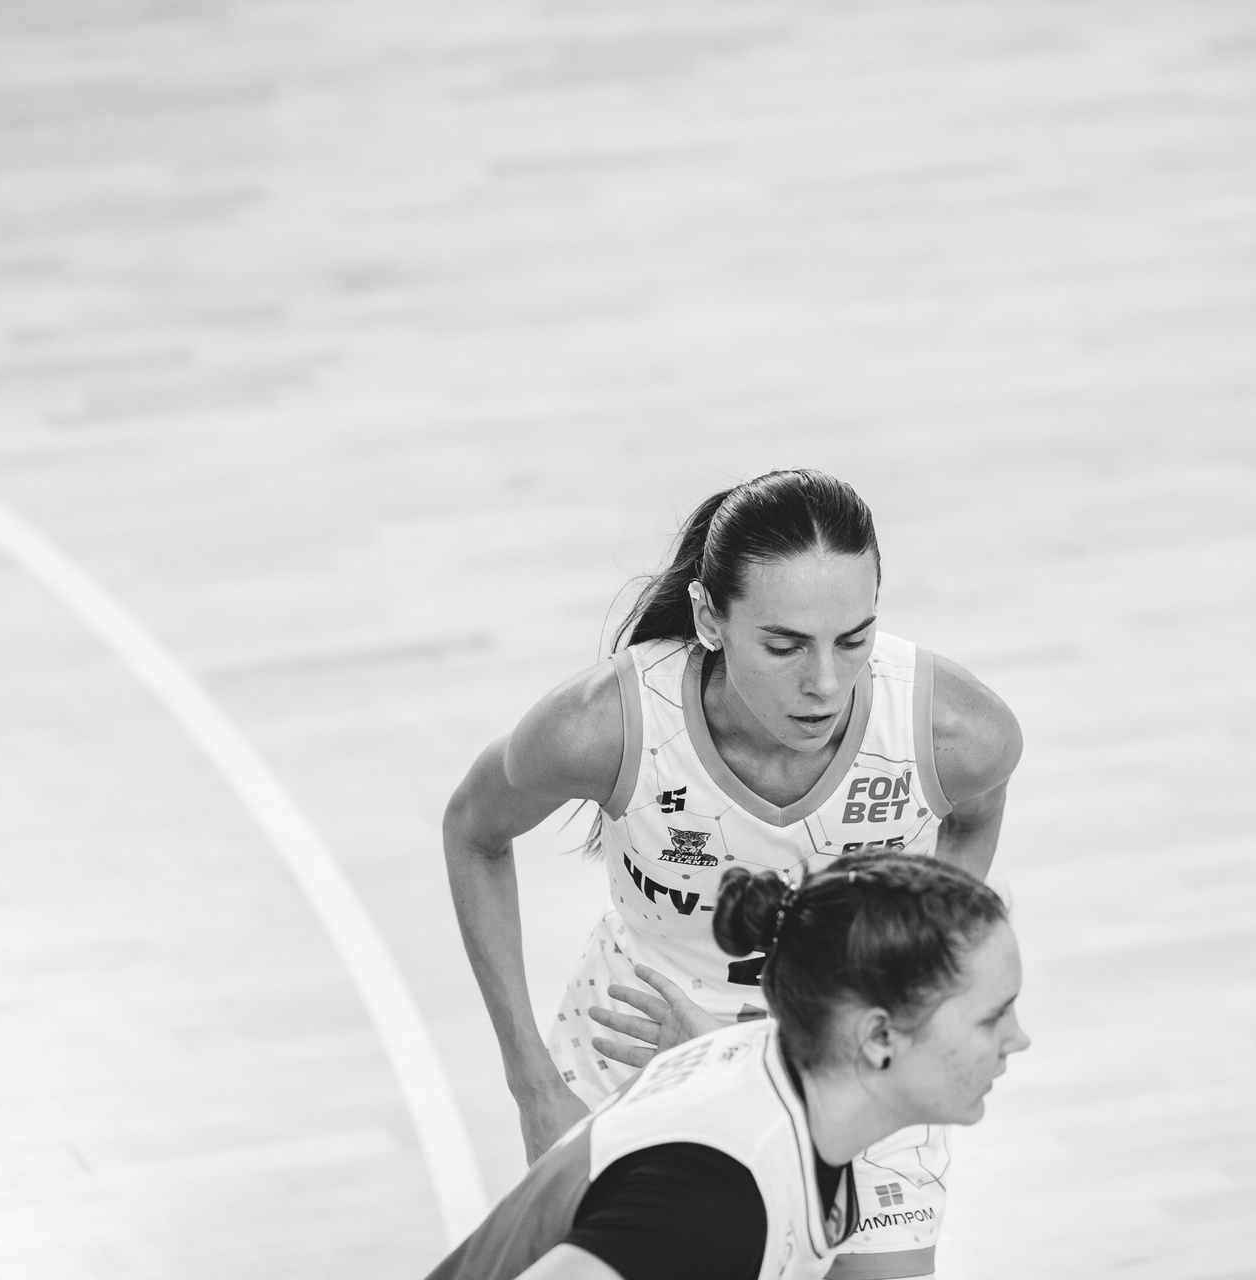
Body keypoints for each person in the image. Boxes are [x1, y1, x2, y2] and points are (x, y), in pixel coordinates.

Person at [444, 469, 1023, 1278]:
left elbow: (973, 820)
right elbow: (473, 834)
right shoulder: (601, 727)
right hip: (642, 1051)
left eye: (853, 639)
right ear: (709, 618)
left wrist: (901, 982)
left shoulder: (957, 733)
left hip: (854, 1050)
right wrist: (533, 1082)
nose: (825, 683)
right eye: (785, 646)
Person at [423, 853, 1031, 1280]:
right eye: (992, 1018)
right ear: (877, 1037)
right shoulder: (714, 1199)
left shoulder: (790, 1089)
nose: (1018, 1039)